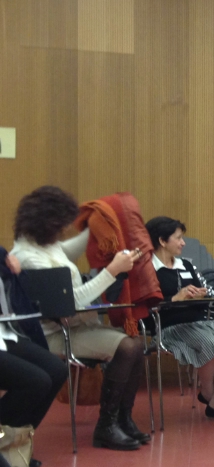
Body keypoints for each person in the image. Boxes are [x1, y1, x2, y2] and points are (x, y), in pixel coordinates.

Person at [10, 186, 149, 450]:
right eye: (61, 223)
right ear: (46, 221)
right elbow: (71, 303)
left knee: (136, 344)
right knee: (128, 347)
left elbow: (71, 249)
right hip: (51, 336)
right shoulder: (26, 257)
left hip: (74, 327)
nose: (65, 228)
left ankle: (123, 419)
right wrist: (111, 271)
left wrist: (102, 222)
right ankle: (107, 426)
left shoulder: (45, 243)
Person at [145, 216, 214, 421]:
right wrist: (175, 298)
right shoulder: (148, 269)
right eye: (178, 238)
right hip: (169, 326)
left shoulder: (185, 265)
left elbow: (200, 298)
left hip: (199, 322)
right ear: (162, 241)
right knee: (210, 344)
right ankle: (210, 394)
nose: (183, 243)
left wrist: (201, 295)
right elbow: (146, 305)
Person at [1, 250, 69, 467]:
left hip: (5, 331)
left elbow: (19, 295)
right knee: (36, 381)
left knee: (56, 370)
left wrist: (16, 272)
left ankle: (14, 444)